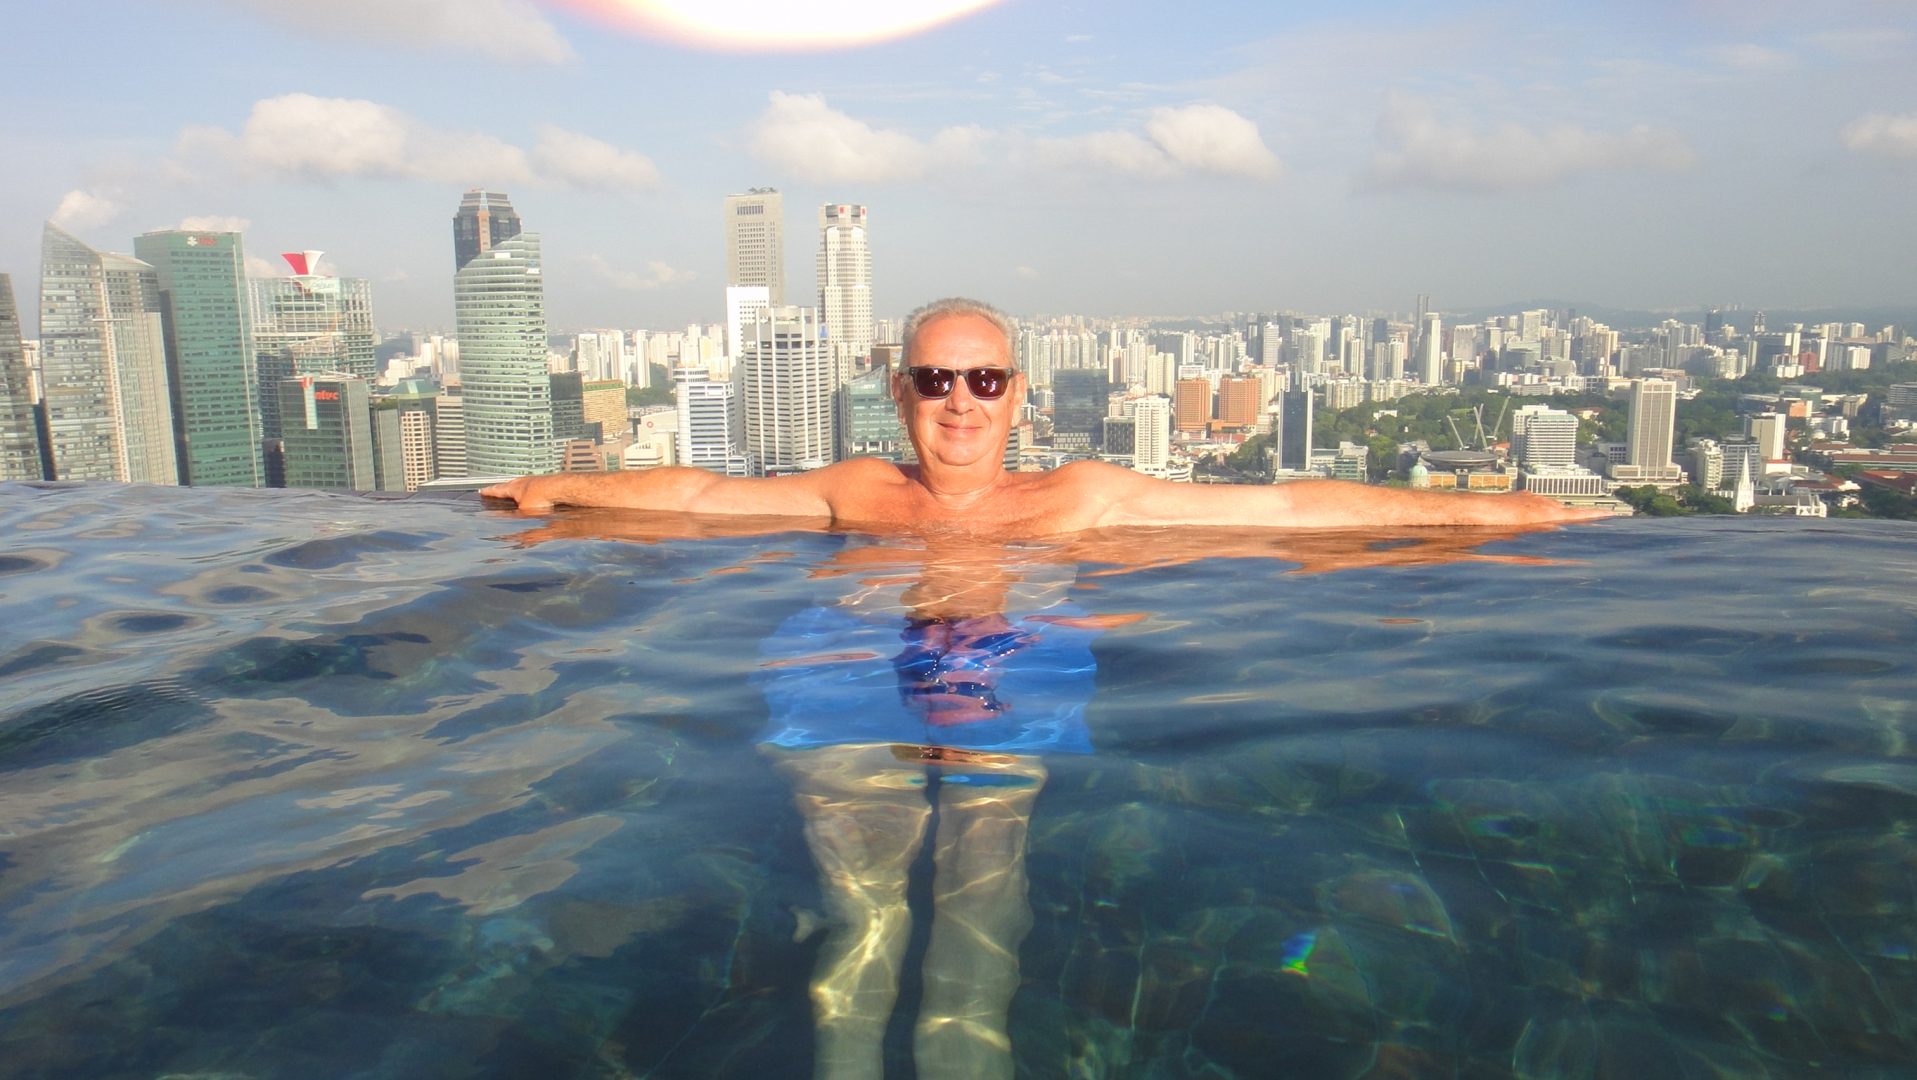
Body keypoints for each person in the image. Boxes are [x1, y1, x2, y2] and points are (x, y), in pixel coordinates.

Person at [480, 298, 1607, 535]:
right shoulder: (854, 491)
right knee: (854, 909)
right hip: (867, 670)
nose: (958, 401)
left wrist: (1502, 511)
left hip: (1018, 672)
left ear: (1018, 394)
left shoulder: (1082, 497)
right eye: (935, 380)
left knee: (983, 886)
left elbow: (1288, 509)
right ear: (899, 393)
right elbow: (697, 493)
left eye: (984, 381)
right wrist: (553, 487)